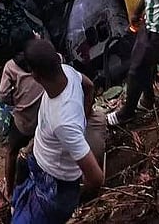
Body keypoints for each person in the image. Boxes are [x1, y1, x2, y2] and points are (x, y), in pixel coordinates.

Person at [12, 39, 103, 224]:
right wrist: (83, 117)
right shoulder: (68, 72)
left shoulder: (64, 124)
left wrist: (76, 199)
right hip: (39, 160)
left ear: (35, 76)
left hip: (55, 186)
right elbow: (89, 86)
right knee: (20, 180)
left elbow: (96, 178)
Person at [0, 28, 45, 202]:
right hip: (45, 117)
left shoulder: (11, 66)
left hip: (24, 123)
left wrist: (15, 101)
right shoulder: (42, 55)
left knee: (11, 151)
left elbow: (2, 95)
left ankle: (9, 192)